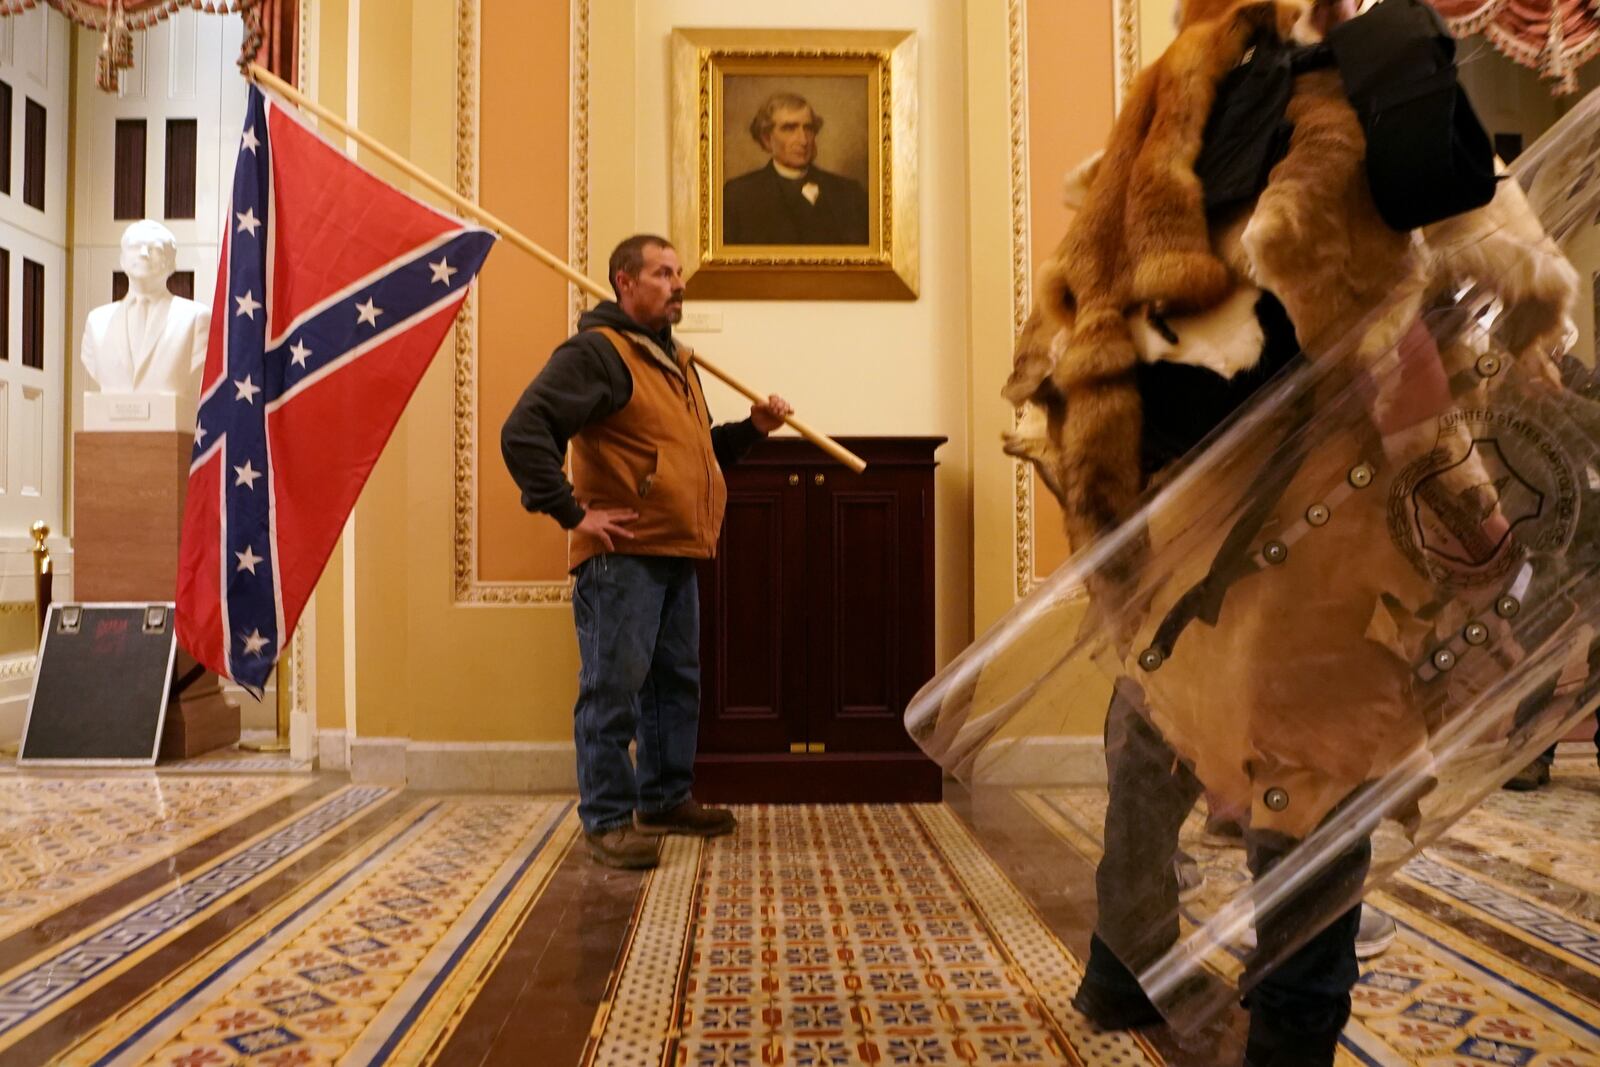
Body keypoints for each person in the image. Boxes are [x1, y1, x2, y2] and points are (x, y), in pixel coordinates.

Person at [501, 234, 793, 869]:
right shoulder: (598, 354)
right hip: (620, 559)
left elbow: (693, 455)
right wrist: (573, 512)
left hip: (673, 550)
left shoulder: (673, 361)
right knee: (614, 691)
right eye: (663, 273)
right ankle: (607, 818)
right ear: (624, 283)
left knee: (673, 685)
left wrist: (754, 431)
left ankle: (664, 800)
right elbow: (524, 430)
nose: (678, 283)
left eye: (680, 273)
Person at [722, 92, 869, 246]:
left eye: (809, 128)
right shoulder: (737, 195)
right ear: (767, 139)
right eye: (789, 128)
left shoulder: (851, 193)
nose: (803, 140)